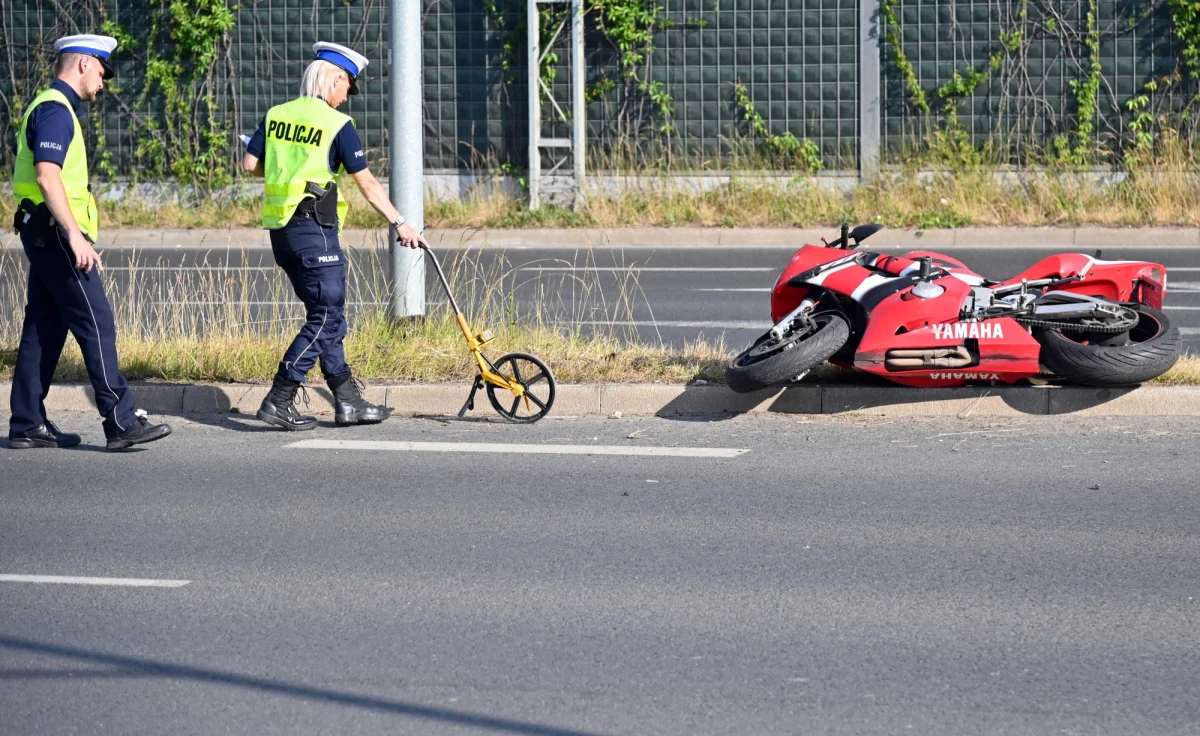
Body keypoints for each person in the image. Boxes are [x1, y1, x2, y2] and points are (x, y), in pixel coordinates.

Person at [242, 42, 427, 431]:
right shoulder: (336, 125)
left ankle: (348, 401)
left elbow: (250, 164)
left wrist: (287, 169)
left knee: (325, 316)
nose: (347, 97)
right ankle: (279, 398)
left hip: (283, 235)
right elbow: (368, 184)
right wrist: (401, 224)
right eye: (347, 87)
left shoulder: (277, 115)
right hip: (315, 232)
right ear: (335, 79)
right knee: (327, 317)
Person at [8, 34, 172, 451]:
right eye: (101, 70)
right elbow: (48, 176)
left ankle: (27, 422)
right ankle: (120, 420)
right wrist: (75, 235)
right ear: (83, 64)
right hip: (58, 234)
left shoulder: (50, 105)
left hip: (42, 230)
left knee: (43, 327)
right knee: (96, 321)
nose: (103, 81)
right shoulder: (56, 111)